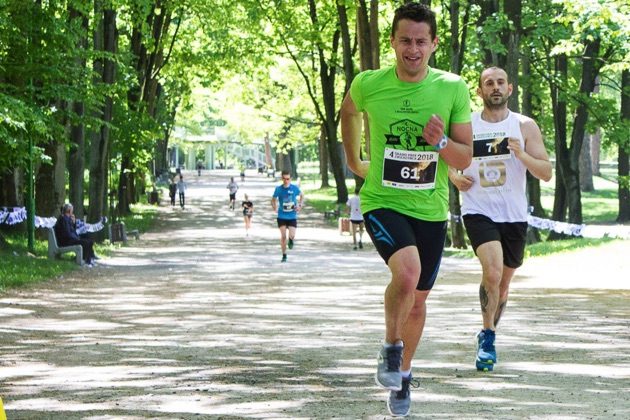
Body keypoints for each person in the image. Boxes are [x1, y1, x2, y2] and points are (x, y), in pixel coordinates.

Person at [340, 2, 473, 416]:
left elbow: (464, 157)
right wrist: (354, 158)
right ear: (393, 42)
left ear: (433, 44)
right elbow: (348, 111)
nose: (412, 49)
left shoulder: (453, 87)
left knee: (418, 300)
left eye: (420, 41)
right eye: (404, 40)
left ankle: (403, 376)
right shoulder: (368, 84)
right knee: (408, 272)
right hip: (383, 200)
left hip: (430, 210)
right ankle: (390, 347)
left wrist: (440, 144)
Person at [448, 66, 552, 373]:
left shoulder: (524, 125)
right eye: (488, 83)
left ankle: (489, 332)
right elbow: (447, 161)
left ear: (510, 89)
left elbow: (545, 173)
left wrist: (522, 155)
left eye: (500, 82)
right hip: (478, 210)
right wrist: (455, 177)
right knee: (491, 271)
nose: (495, 87)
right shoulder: (467, 125)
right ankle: (488, 338)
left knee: (503, 285)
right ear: (479, 92)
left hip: (514, 216)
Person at [271, 170, 304, 263]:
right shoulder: (278, 189)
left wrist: (300, 205)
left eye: (288, 179)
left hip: (292, 216)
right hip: (281, 215)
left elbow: (302, 196)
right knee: (283, 236)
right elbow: (273, 199)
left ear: (290, 179)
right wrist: (274, 207)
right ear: (282, 178)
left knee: (292, 235)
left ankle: (291, 240)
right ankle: (284, 255)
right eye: (284, 179)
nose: (286, 181)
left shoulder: (294, 188)